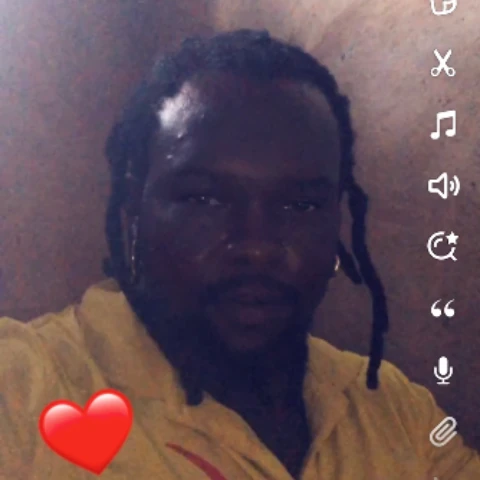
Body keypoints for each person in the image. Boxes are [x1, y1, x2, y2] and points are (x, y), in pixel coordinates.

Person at [0, 29, 478, 480]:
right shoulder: (21, 387)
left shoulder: (393, 410)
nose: (257, 246)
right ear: (133, 209)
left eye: (300, 204)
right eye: (203, 198)